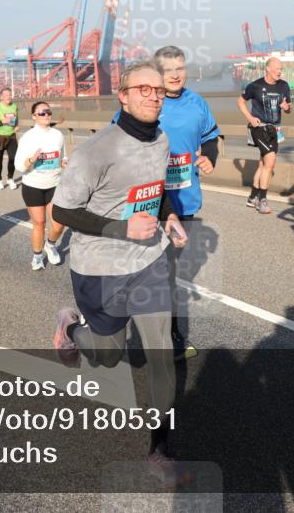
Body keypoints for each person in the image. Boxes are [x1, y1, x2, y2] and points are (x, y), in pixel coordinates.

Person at [51, 60, 187, 476]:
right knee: (108, 355)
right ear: (123, 96)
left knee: (162, 356)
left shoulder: (162, 139)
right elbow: (61, 210)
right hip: (99, 266)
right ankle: (70, 330)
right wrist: (121, 226)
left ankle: (159, 450)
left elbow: (155, 188)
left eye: (158, 89)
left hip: (146, 261)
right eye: (142, 88)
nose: (153, 94)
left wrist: (167, 216)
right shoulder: (96, 150)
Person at [114, 46, 220, 360]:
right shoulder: (146, 101)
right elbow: (115, 139)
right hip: (146, 202)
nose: (175, 75)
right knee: (149, 271)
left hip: (183, 201)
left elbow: (210, 135)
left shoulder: (196, 103)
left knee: (166, 272)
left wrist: (209, 156)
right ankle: (118, 327)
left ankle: (165, 334)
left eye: (180, 68)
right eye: (168, 69)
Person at [15, 101, 67, 270]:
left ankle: (50, 245)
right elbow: (19, 166)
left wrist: (64, 162)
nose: (46, 115)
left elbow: (63, 156)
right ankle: (37, 257)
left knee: (59, 224)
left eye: (48, 111)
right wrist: (32, 160)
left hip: (55, 184)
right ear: (34, 117)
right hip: (33, 185)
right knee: (39, 223)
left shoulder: (58, 135)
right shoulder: (28, 138)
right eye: (42, 112)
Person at [237, 56, 291, 215]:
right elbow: (240, 101)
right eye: (277, 68)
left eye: (281, 69)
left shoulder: (284, 86)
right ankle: (262, 200)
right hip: (258, 128)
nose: (279, 71)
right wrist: (250, 118)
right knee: (270, 161)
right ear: (268, 68)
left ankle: (252, 197)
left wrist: (286, 107)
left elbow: (289, 109)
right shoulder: (255, 86)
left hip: (274, 129)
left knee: (263, 164)